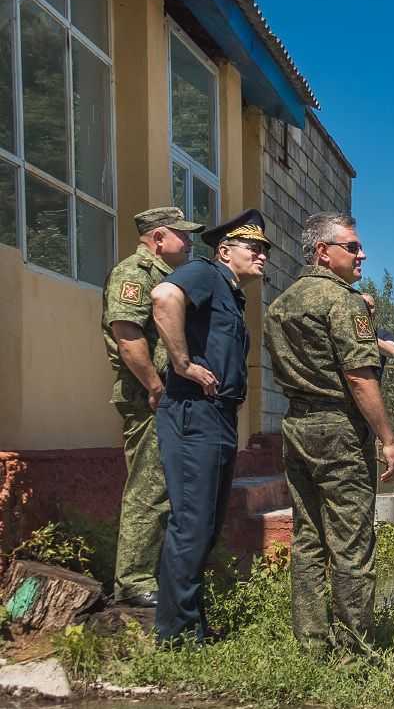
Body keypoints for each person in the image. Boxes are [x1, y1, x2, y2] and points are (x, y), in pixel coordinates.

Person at [266, 212, 394, 656]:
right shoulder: (342, 302)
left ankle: (310, 643)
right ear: (323, 252)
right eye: (352, 247)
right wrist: (388, 439)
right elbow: (361, 378)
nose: (361, 254)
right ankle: (356, 650)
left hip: (296, 425)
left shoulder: (280, 304)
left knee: (307, 538)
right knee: (352, 539)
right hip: (338, 428)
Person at [149, 209, 269, 643]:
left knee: (208, 524)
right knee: (192, 522)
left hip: (216, 417)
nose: (262, 256)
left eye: (264, 250)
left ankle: (191, 625)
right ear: (224, 251)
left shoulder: (231, 292)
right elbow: (163, 297)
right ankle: (176, 636)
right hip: (193, 414)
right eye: (253, 248)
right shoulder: (204, 272)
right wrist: (182, 364)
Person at [101, 207, 203, 608]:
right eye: (182, 234)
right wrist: (155, 384)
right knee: (149, 487)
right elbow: (127, 335)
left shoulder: (163, 276)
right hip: (147, 398)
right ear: (158, 237)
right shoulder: (134, 274)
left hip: (163, 395)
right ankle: (134, 580)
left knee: (166, 486)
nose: (190, 241)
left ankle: (154, 573)